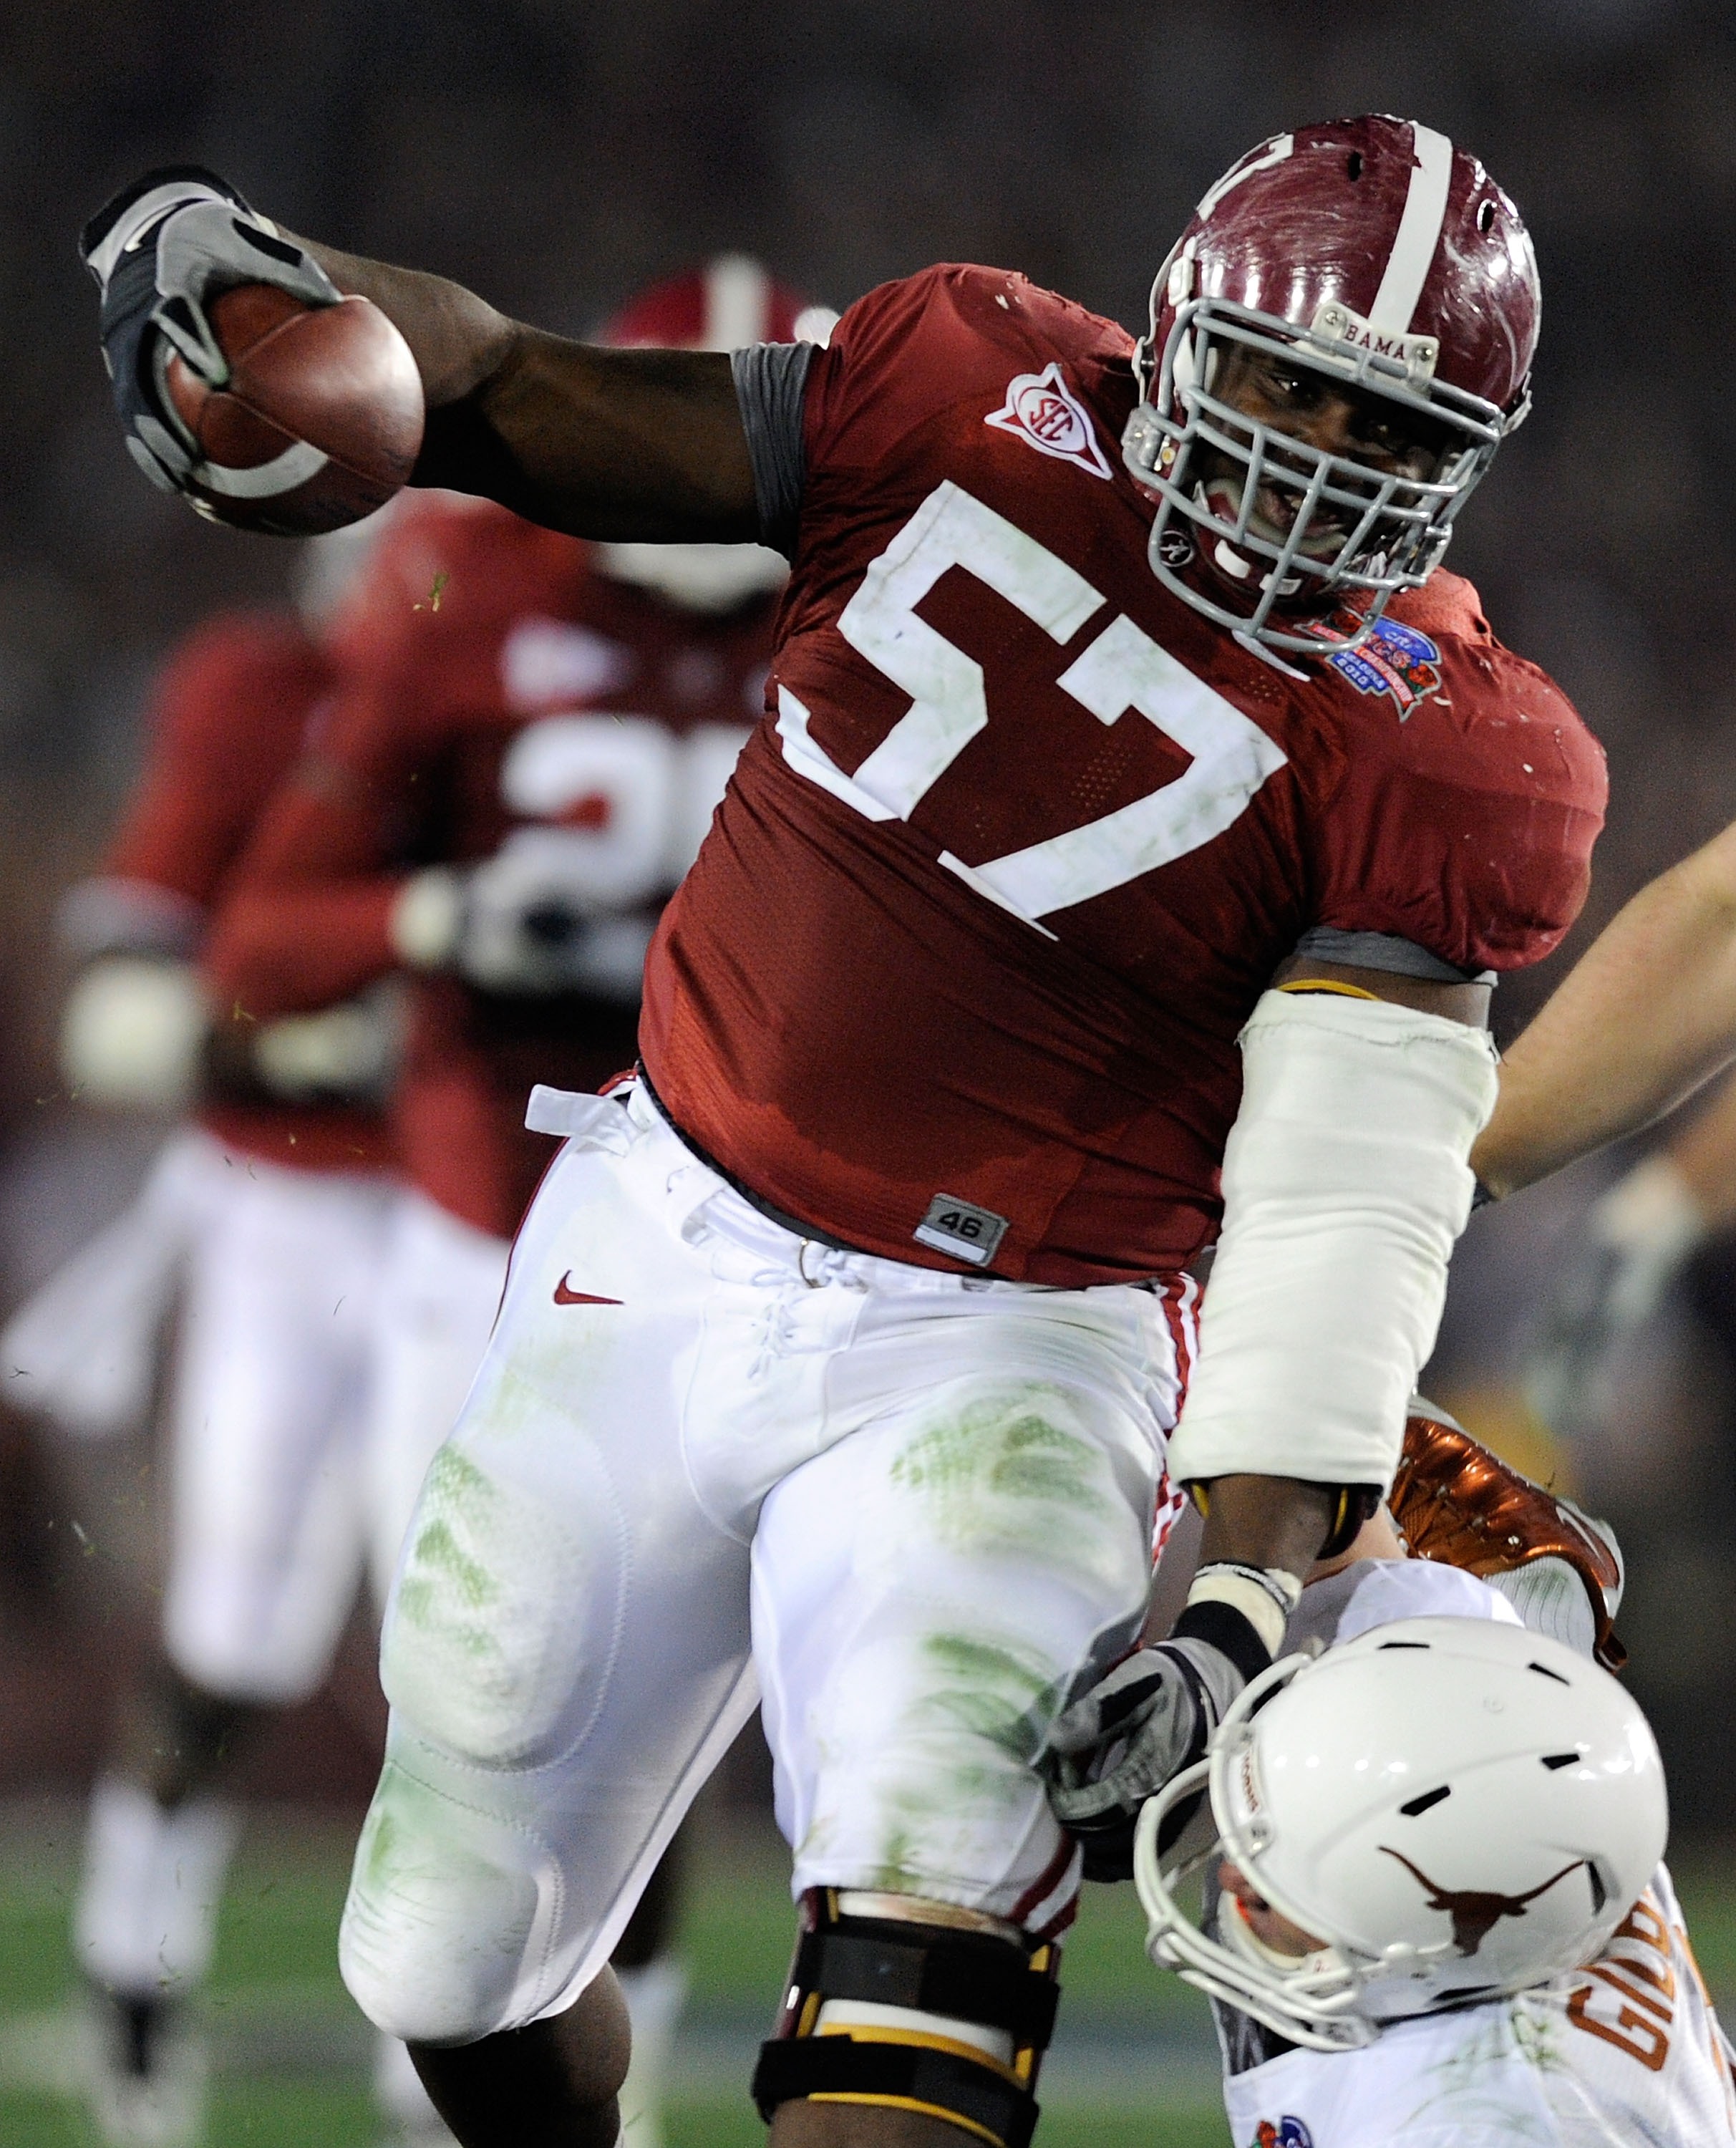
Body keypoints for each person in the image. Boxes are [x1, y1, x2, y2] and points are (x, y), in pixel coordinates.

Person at [82, 120, 1605, 2148]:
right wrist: (294, 291)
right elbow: (510, 395)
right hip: (661, 1232)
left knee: (927, 1954)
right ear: (1177, 331)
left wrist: (1239, 1595)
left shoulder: (1455, 739)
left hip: (1016, 1347)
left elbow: (1345, 1197)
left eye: (1386, 421)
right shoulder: (963, 390)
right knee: (444, 1965)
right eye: (1293, 378)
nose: (1322, 448)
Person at [202, 258, 827, 2148]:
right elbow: (263, 944)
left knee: (678, 1714)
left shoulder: (881, 602)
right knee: (478, 1703)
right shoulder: (461, 587)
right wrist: (437, 917)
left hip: (754, 1240)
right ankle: (463, 2103)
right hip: (485, 1224)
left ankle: (610, 2087)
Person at [0, 592, 424, 2146]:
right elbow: (127, 985)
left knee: (475, 1647)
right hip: (292, 1201)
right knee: (241, 1627)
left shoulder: (561, 648)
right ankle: (132, 1968)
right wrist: (265, 1032)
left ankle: (456, 2015)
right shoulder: (270, 688)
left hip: (505, 1207)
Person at [1134, 1409, 1736, 2146]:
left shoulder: (1466, 2120)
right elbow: (1307, 1456)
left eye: (1274, 1868)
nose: (1235, 1877)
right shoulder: (1539, 1836)